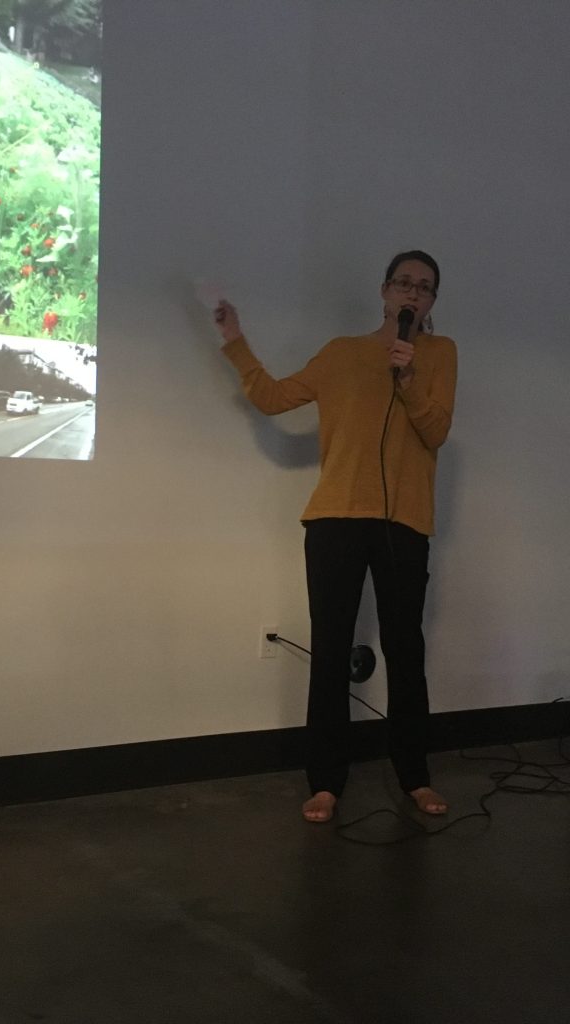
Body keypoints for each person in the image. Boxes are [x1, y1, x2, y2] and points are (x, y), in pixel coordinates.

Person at [214, 251, 457, 823]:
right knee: (330, 650)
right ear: (384, 292)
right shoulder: (341, 353)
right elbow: (274, 397)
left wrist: (408, 377)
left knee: (405, 649)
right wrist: (235, 340)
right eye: (404, 283)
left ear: (433, 302)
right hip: (335, 519)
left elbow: (436, 430)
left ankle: (415, 777)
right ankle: (325, 782)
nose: (412, 294)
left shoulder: (439, 355)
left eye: (425, 288)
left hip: (405, 521)